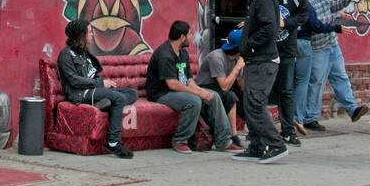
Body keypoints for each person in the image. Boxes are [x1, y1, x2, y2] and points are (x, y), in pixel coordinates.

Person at [146, 20, 242, 154]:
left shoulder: (183, 53)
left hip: (179, 90)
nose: (192, 37)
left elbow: (189, 80)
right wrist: (197, 94)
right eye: (190, 34)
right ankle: (180, 140)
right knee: (193, 101)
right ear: (182, 37)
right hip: (162, 94)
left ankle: (223, 140)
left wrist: (201, 91)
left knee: (213, 96)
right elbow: (172, 84)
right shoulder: (165, 54)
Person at [56, 17, 137, 158]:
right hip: (80, 94)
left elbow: (91, 75)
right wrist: (100, 84)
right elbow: (73, 81)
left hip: (93, 90)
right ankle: (113, 142)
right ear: (81, 35)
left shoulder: (84, 54)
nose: (92, 34)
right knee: (119, 98)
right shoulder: (65, 55)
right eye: (89, 32)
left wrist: (103, 82)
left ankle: (106, 104)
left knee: (132, 93)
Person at [233, 0, 286, 163]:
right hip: (256, 59)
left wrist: (249, 45)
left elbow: (269, 27)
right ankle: (256, 146)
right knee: (250, 103)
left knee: (255, 103)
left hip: (263, 60)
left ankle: (276, 144)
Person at [302, 0, 369, 128]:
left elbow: (332, 6)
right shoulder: (305, 1)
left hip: (332, 42)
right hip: (318, 46)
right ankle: (310, 118)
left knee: (341, 77)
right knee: (317, 83)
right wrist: (337, 17)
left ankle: (352, 110)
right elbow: (317, 22)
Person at [267, 0, 308, 147]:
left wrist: (287, 23)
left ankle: (288, 131)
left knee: (286, 90)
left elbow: (304, 13)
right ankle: (262, 130)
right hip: (266, 49)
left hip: (286, 48)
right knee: (263, 90)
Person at [196, 28, 246, 138]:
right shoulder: (217, 57)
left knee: (246, 97)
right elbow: (224, 87)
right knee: (230, 96)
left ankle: (256, 132)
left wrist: (244, 72)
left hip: (222, 87)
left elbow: (241, 86)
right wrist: (237, 68)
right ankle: (234, 135)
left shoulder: (237, 59)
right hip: (205, 88)